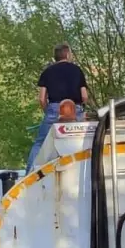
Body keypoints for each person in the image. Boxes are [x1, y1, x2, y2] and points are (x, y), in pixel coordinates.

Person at [26, 43, 88, 171]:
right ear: (67, 54)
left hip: (54, 110)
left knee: (40, 143)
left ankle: (29, 174)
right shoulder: (77, 70)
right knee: (83, 141)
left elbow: (42, 98)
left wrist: (48, 111)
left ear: (55, 57)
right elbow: (84, 96)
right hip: (74, 110)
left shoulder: (47, 72)